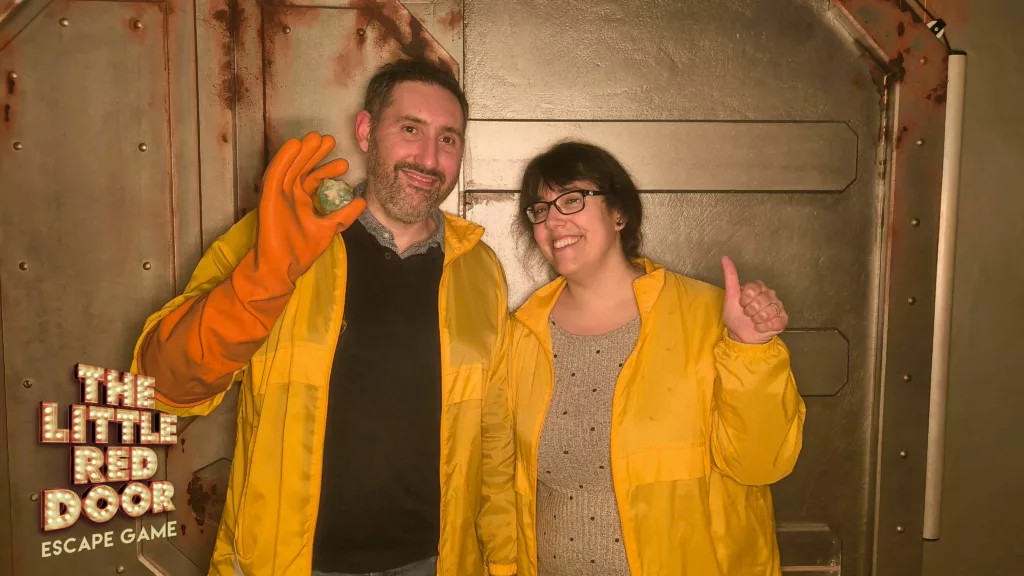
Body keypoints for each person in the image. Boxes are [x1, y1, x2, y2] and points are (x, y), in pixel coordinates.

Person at [130, 59, 517, 576]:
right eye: (410, 129)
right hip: (289, 564)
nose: (429, 158)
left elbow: (494, 436)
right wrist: (265, 278)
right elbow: (163, 385)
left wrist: (503, 561)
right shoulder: (280, 234)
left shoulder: (480, 268)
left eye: (447, 139)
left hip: (437, 564)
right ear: (366, 131)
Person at [498, 141, 806, 575]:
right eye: (540, 209)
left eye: (572, 199)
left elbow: (761, 463)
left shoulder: (706, 316)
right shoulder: (521, 334)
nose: (553, 220)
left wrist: (750, 348)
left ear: (619, 213)